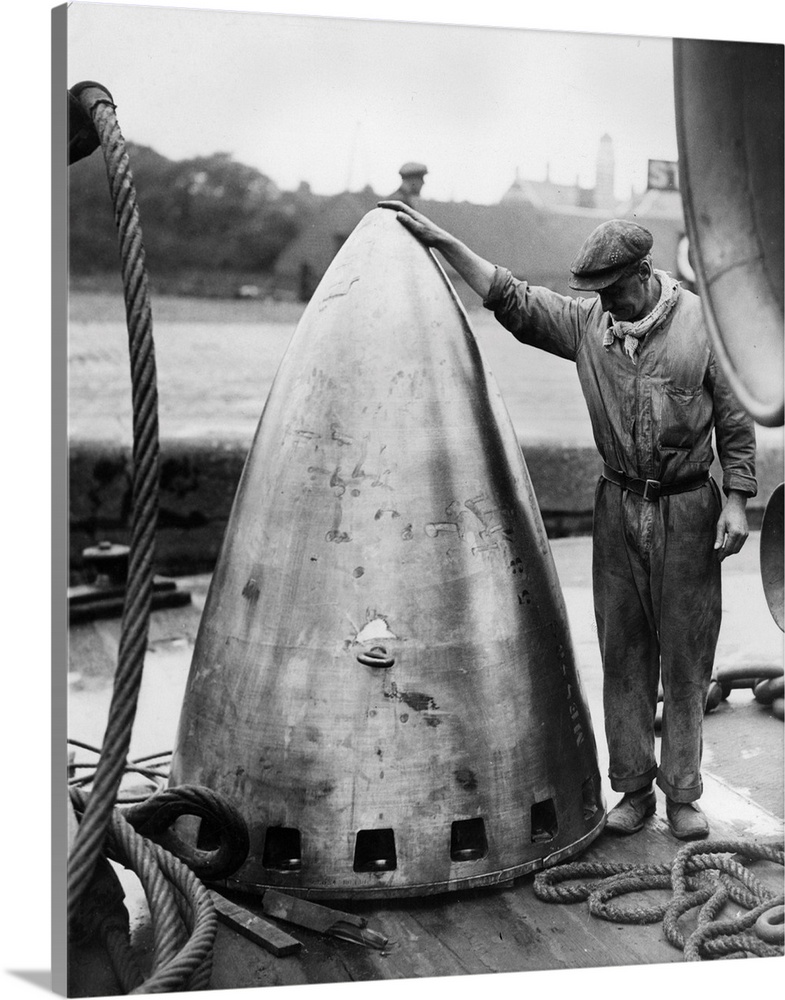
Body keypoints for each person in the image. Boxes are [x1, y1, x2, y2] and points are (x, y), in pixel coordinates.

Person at [378, 199, 757, 842]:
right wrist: (445, 242)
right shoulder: (588, 326)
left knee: (687, 657)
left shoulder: (704, 326)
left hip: (689, 508)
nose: (606, 306)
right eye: (597, 296)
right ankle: (633, 788)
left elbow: (735, 422)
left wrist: (737, 500)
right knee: (623, 651)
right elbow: (514, 299)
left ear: (644, 274)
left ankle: (683, 793)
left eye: (614, 292)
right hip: (616, 508)